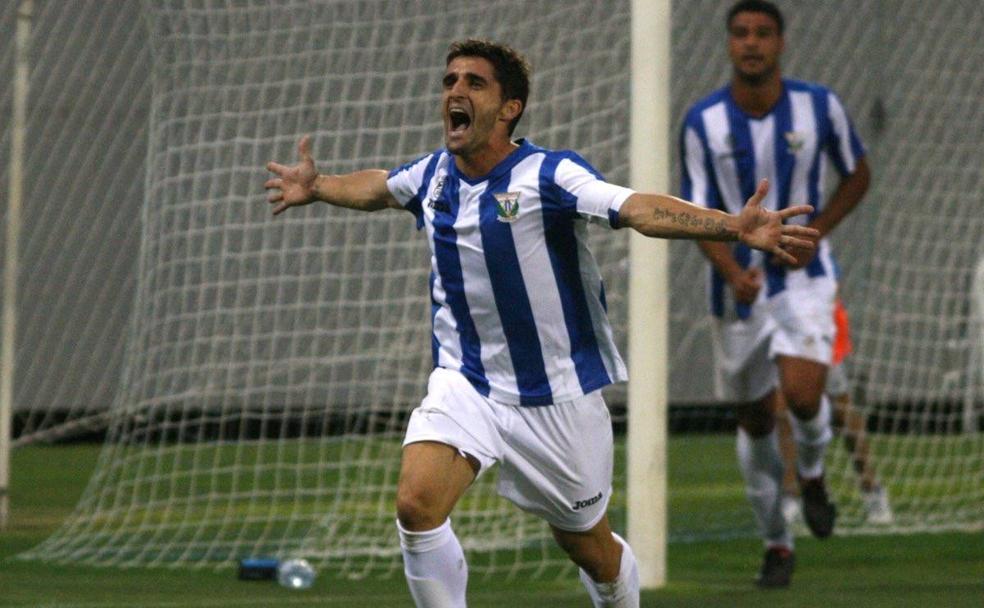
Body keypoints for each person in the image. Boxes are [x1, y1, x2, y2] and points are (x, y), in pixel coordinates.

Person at [266, 38, 817, 607]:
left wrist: (731, 226)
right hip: (467, 382)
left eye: (474, 83)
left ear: (510, 108)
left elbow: (635, 209)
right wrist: (320, 186)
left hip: (558, 397)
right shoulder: (433, 177)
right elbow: (381, 186)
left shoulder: (549, 176)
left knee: (591, 550)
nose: (456, 91)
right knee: (416, 505)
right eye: (450, 80)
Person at [679, 0, 870, 588]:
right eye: (741, 33)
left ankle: (811, 474)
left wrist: (819, 237)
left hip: (804, 281)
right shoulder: (701, 122)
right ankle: (777, 543)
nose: (752, 43)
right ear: (729, 43)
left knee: (804, 392)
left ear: (781, 42)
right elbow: (694, 212)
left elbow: (858, 173)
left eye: (763, 33)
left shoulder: (821, 106)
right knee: (756, 421)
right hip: (739, 290)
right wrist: (731, 270)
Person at [778, 297, 894, 526]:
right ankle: (790, 496)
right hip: (781, 316)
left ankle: (872, 490)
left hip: (818, 318)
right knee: (783, 411)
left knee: (841, 409)